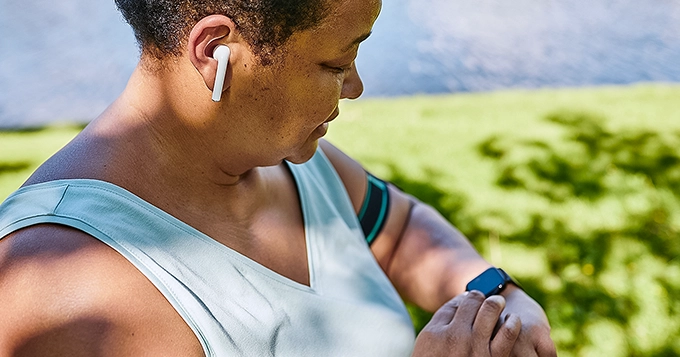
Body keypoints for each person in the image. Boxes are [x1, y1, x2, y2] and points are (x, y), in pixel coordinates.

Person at [0, 0, 557, 356]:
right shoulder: (62, 291)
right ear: (217, 52)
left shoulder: (303, 168)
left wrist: (496, 295)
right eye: (336, 65)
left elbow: (402, 225)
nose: (356, 86)